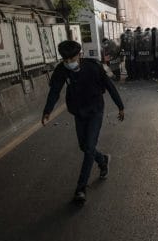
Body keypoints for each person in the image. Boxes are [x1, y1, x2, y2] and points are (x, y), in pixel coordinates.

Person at [42, 41, 125, 204]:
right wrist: (47, 111)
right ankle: (103, 161)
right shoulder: (62, 70)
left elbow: (109, 86)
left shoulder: (93, 66)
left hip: (95, 109)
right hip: (79, 111)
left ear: (79, 55)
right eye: (65, 60)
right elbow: (55, 91)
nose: (68, 63)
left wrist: (120, 106)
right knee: (84, 146)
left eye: (71, 59)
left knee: (88, 148)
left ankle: (80, 189)